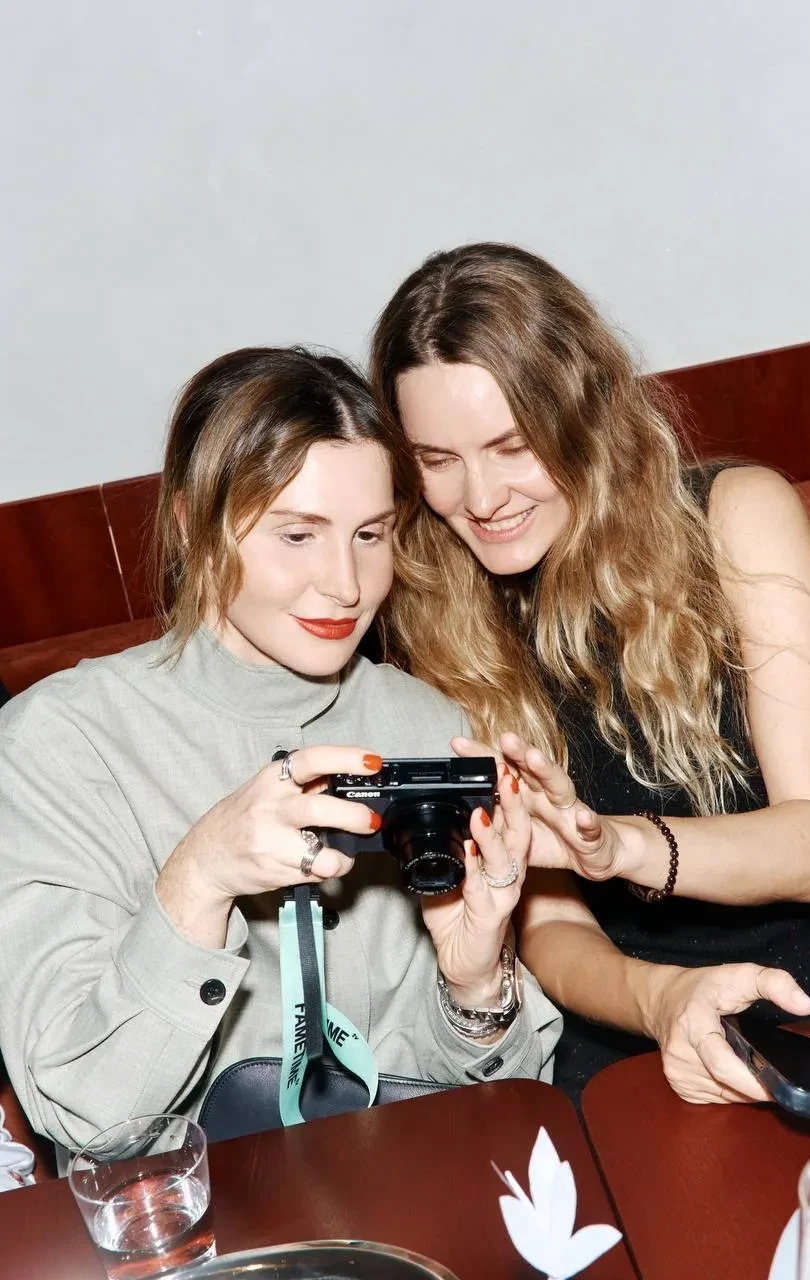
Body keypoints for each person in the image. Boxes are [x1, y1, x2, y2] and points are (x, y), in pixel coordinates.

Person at [0, 346, 561, 1156]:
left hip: (408, 1182)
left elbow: (504, 1101)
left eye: (370, 534)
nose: (345, 584)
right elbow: (85, 1116)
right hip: (192, 1207)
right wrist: (197, 882)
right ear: (193, 525)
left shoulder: (425, 725)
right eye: (297, 534)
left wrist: (473, 983)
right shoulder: (58, 746)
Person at [369, 242, 810, 1105]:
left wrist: (619, 846)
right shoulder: (432, 607)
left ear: (582, 416)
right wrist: (661, 1001)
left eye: (512, 445)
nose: (479, 498)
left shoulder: (735, 517)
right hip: (631, 1025)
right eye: (437, 461)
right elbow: (548, 922)